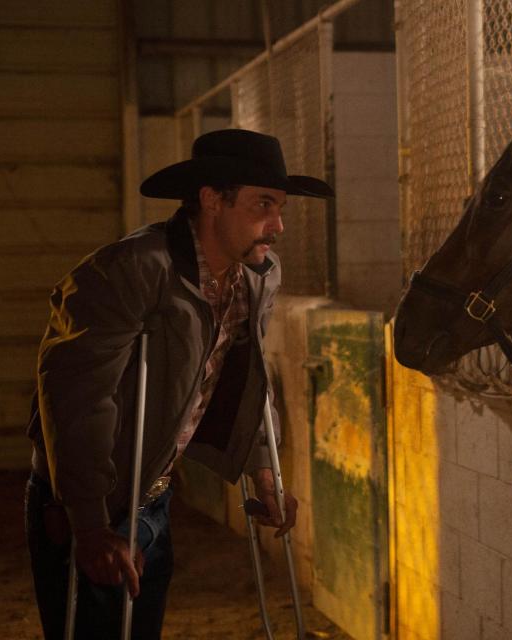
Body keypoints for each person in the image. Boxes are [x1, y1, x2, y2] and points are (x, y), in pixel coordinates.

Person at [24, 128, 333, 639]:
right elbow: (78, 400)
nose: (277, 225)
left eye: (281, 207)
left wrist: (264, 472)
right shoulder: (130, 270)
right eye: (262, 205)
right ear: (212, 199)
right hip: (90, 500)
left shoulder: (256, 275)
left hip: (155, 495)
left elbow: (246, 377)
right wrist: (90, 524)